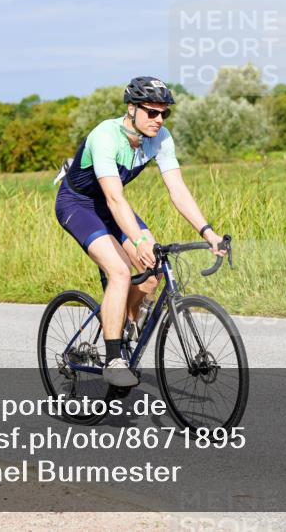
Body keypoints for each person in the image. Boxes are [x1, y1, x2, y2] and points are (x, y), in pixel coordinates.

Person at [54, 77, 225, 387]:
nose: (158, 119)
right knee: (119, 271)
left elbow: (178, 190)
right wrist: (135, 239)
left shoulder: (160, 138)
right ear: (131, 109)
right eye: (151, 112)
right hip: (79, 206)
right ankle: (114, 358)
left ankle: (127, 321)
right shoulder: (105, 136)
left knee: (155, 266)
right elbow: (114, 198)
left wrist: (207, 231)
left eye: (164, 114)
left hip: (112, 206)